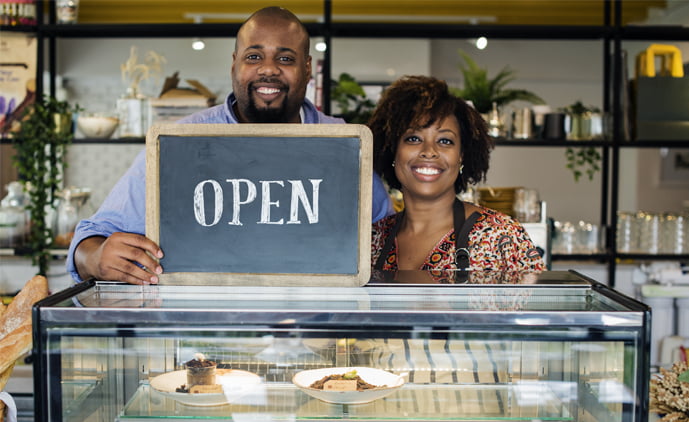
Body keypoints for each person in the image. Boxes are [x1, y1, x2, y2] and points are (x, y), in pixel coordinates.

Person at [67, 6, 393, 285]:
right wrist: (97, 258)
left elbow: (387, 238)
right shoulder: (180, 143)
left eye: (285, 57)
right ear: (234, 63)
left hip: (318, 340)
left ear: (307, 68)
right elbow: (90, 239)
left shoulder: (346, 147)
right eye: (254, 56)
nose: (268, 69)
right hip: (203, 346)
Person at [368, 75, 544, 278]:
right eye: (413, 138)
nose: (429, 151)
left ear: (461, 157)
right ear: (392, 152)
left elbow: (542, 308)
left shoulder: (501, 236)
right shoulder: (372, 240)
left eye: (445, 141)